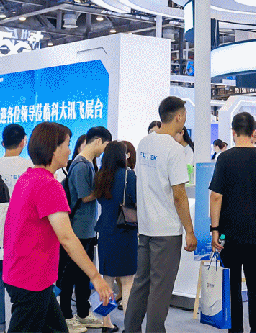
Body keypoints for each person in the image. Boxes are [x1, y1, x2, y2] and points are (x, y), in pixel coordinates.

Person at [2, 122, 112, 333]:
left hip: (24, 273)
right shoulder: (49, 185)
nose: (70, 150)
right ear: (53, 148)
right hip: (31, 279)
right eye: (67, 144)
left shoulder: (27, 177)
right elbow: (67, 238)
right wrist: (96, 277)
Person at [124, 96, 197, 333]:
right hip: (166, 231)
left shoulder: (144, 143)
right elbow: (179, 195)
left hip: (145, 227)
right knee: (161, 289)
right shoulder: (175, 150)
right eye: (184, 115)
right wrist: (189, 230)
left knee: (141, 284)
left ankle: (131, 329)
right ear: (179, 117)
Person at [210, 111, 256, 333]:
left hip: (228, 234)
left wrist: (215, 229)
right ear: (254, 132)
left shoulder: (224, 158)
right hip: (255, 233)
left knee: (232, 288)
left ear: (233, 132)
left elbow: (216, 196)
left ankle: (235, 330)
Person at [59, 126, 112, 331]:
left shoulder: (88, 164)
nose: (105, 150)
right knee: (69, 275)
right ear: (98, 141)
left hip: (87, 229)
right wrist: (104, 188)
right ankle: (66, 315)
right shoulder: (81, 166)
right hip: (77, 229)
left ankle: (82, 313)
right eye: (106, 145)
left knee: (83, 275)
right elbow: (84, 196)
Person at [0, 124, 32, 333]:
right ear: (23, 141)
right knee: (24, 287)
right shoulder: (30, 167)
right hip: (24, 235)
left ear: (2, 143)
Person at [94, 141, 138, 329]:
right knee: (127, 282)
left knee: (107, 280)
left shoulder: (100, 176)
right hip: (126, 231)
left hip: (105, 231)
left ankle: (106, 322)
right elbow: (136, 200)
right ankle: (129, 326)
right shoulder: (129, 176)